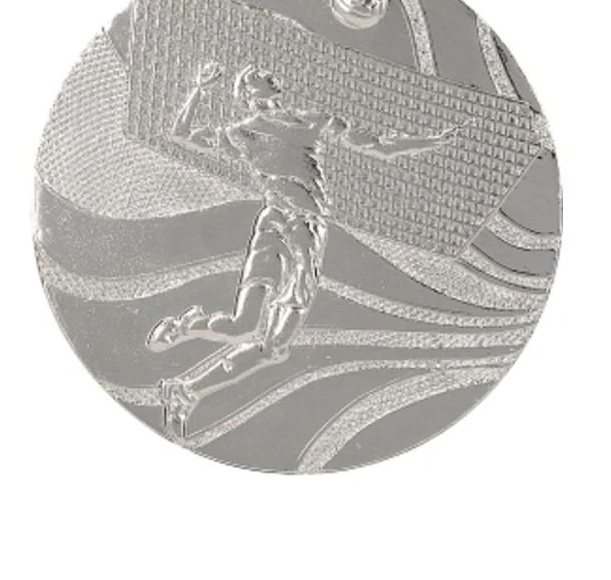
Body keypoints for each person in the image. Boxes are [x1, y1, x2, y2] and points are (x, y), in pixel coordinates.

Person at [146, 62, 456, 437]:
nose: (266, 81)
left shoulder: (311, 121)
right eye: (256, 81)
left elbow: (378, 144)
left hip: (309, 231)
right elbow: (181, 134)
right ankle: (182, 326)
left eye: (267, 79)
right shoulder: (242, 133)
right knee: (243, 325)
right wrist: (198, 89)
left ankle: (185, 390)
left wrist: (429, 142)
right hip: (276, 222)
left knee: (275, 347)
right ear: (248, 95)